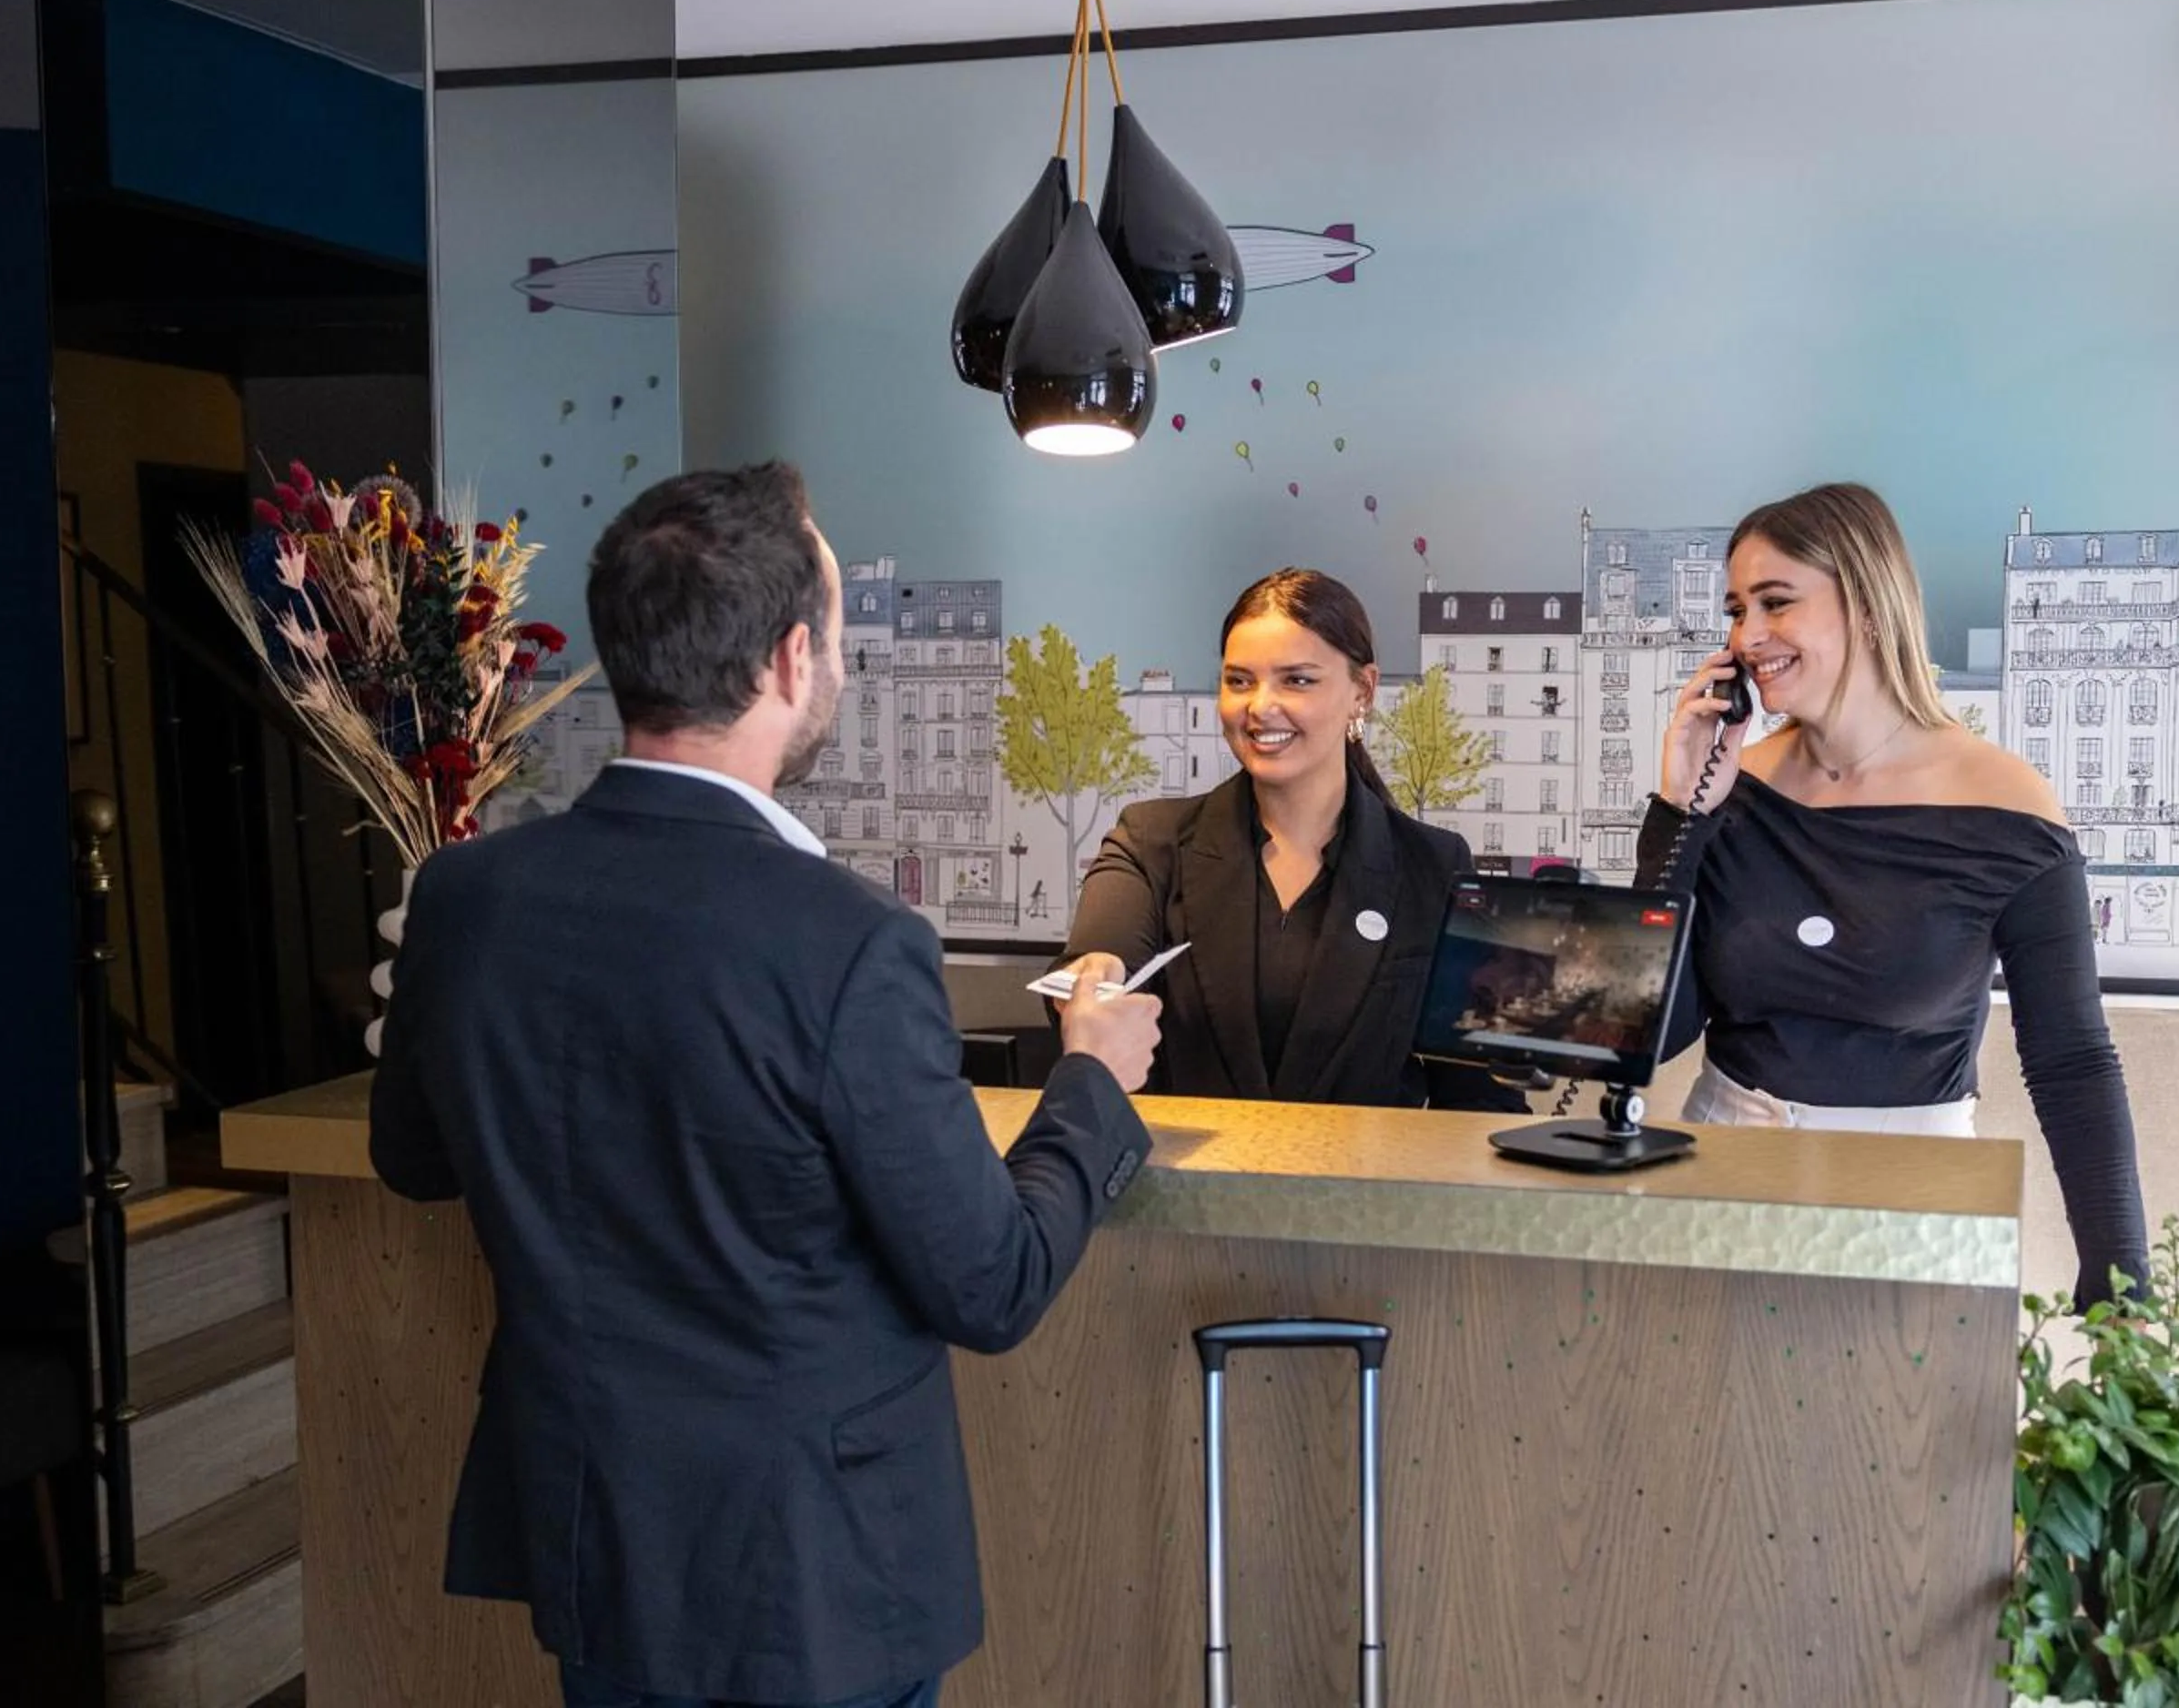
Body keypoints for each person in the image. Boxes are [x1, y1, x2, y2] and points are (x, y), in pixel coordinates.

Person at [369, 462, 1162, 1708]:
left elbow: (414, 1162)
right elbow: (992, 1282)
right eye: (839, 635)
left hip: (596, 1548)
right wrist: (1092, 1085)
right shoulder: (848, 943)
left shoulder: (463, 899)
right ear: (793, 659)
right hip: (812, 1585)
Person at [1638, 482, 2148, 1308]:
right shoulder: (1734, 793)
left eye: (1776, 603)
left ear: (1868, 608)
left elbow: (2073, 1061)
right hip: (1723, 1181)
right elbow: (1651, 1033)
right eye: (1737, 610)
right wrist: (1680, 813)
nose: (1748, 636)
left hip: (1914, 1201)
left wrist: (2119, 1283)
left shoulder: (2008, 809)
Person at [1059, 568, 1522, 1112]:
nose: (1259, 706)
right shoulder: (1150, 843)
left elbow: (1474, 1096)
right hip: (1184, 1191)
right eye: (1239, 681)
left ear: (1362, 691)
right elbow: (1101, 957)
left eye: (1297, 680)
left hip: (1358, 1194)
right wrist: (1094, 983)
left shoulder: (1433, 866)